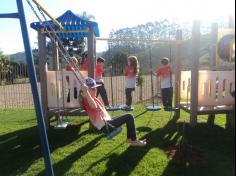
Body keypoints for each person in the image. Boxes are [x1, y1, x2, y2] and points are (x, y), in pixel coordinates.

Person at [80, 77, 146, 146]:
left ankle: (130, 139)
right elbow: (94, 106)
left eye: (96, 88)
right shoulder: (86, 101)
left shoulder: (93, 98)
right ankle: (134, 141)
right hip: (105, 126)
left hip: (108, 121)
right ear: (86, 91)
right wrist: (86, 92)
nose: (95, 89)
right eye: (93, 88)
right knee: (129, 116)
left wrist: (87, 91)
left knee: (128, 118)